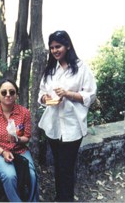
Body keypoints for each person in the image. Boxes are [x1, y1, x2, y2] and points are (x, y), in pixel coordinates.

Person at [38, 30, 97, 202]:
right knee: (58, 165)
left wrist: (68, 94)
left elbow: (90, 95)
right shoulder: (50, 70)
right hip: (53, 125)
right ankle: (60, 198)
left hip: (72, 125)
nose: (55, 50)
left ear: (68, 46)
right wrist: (45, 98)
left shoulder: (80, 68)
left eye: (58, 46)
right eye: (52, 48)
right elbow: (41, 93)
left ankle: (66, 199)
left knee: (66, 167)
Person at [0, 78, 39, 202]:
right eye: (4, 92)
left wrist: (17, 139)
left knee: (32, 175)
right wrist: (3, 152)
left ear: (16, 95)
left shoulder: (24, 113)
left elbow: (27, 137)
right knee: (9, 176)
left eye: (11, 92)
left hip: (20, 150)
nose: (8, 95)